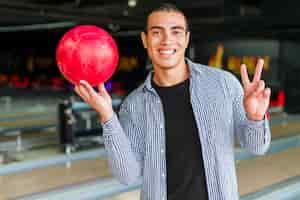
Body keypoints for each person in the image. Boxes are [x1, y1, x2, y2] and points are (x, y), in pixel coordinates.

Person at [74, 3, 271, 200]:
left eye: (176, 32)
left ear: (186, 39)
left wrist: (255, 117)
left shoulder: (224, 85)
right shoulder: (134, 105)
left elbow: (256, 147)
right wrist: (107, 117)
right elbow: (127, 175)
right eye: (157, 33)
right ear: (145, 40)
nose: (167, 41)